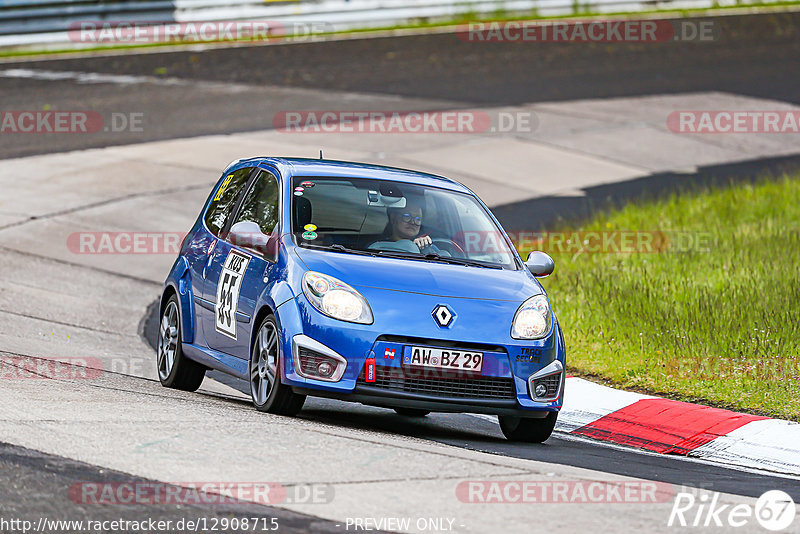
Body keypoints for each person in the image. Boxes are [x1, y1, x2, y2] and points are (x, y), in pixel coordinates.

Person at [368, 202, 448, 255]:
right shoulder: (378, 247)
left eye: (418, 219)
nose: (413, 222)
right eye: (407, 216)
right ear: (393, 218)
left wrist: (424, 248)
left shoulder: (429, 247)